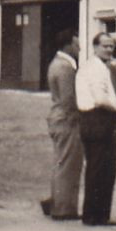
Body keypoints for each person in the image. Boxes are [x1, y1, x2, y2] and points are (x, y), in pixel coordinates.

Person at [75, 31, 116, 226]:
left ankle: (98, 215)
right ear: (95, 47)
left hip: (95, 120)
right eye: (105, 46)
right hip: (98, 119)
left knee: (102, 168)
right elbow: (100, 99)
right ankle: (95, 216)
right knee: (100, 168)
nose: (109, 50)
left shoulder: (96, 67)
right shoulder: (96, 69)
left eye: (111, 46)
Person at [39, 30, 82, 220]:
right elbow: (69, 99)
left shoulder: (56, 64)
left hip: (57, 118)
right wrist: (79, 118)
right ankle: (64, 209)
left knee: (60, 163)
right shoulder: (65, 68)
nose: (79, 48)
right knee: (69, 165)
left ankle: (57, 203)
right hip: (66, 121)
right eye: (76, 45)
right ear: (67, 46)